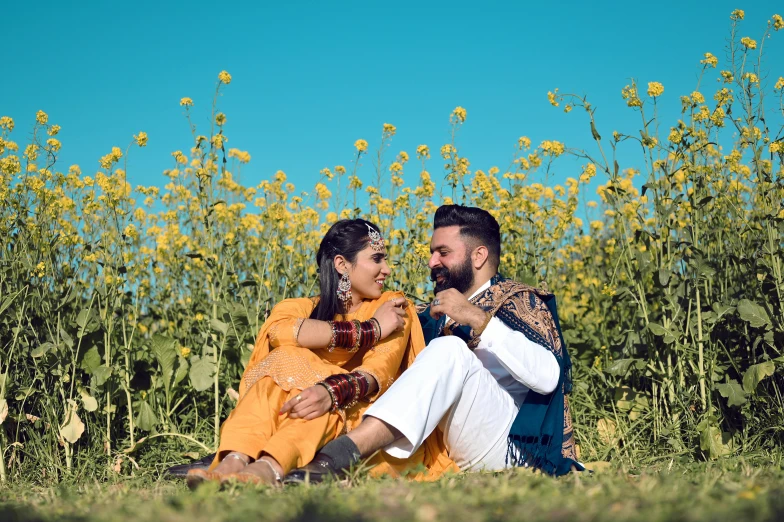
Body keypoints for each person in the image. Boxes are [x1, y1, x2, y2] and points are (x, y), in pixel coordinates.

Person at [286, 205, 583, 482]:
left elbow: (549, 377)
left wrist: (477, 318)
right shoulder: (431, 313)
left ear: (478, 256)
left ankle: (336, 458)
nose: (431, 262)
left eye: (443, 252)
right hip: (445, 448)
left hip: (513, 449)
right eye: (431, 252)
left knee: (450, 348)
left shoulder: (520, 300)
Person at [186, 218, 425, 487]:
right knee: (282, 364)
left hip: (353, 413)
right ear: (342, 264)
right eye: (377, 259)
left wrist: (329, 390)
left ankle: (268, 466)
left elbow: (378, 371)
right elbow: (280, 332)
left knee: (302, 374)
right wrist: (370, 330)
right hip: (297, 406)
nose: (387, 269)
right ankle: (235, 460)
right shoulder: (301, 307)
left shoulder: (392, 307)